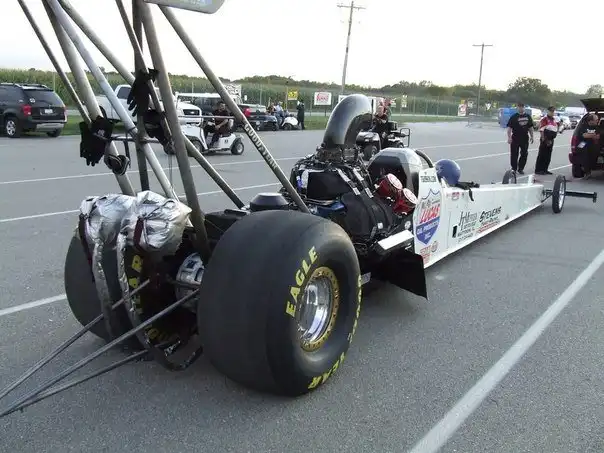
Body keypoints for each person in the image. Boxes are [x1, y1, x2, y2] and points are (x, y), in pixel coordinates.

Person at [506, 102, 534, 174]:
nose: (521, 108)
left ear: (524, 108)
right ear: (517, 108)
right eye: (519, 107)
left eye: (522, 107)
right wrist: (509, 137)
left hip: (524, 137)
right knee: (514, 154)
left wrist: (532, 136)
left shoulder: (528, 116)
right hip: (515, 137)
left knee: (524, 153)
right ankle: (514, 168)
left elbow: (530, 127)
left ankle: (521, 168)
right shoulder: (514, 117)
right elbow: (509, 128)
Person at [534, 106, 560, 175]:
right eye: (551, 111)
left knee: (548, 155)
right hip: (545, 138)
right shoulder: (545, 119)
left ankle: (545, 169)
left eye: (553, 111)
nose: (552, 113)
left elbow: (556, 128)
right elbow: (542, 129)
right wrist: (543, 139)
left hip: (551, 138)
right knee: (542, 154)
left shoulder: (554, 119)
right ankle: (538, 170)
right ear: (548, 111)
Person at [575, 113, 601, 179]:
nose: (597, 121)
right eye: (596, 120)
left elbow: (597, 137)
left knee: (595, 152)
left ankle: (591, 167)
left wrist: (588, 135)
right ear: (591, 121)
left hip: (592, 144)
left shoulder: (597, 127)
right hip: (583, 143)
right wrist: (593, 135)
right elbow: (584, 136)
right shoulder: (583, 126)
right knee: (583, 153)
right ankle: (586, 171)